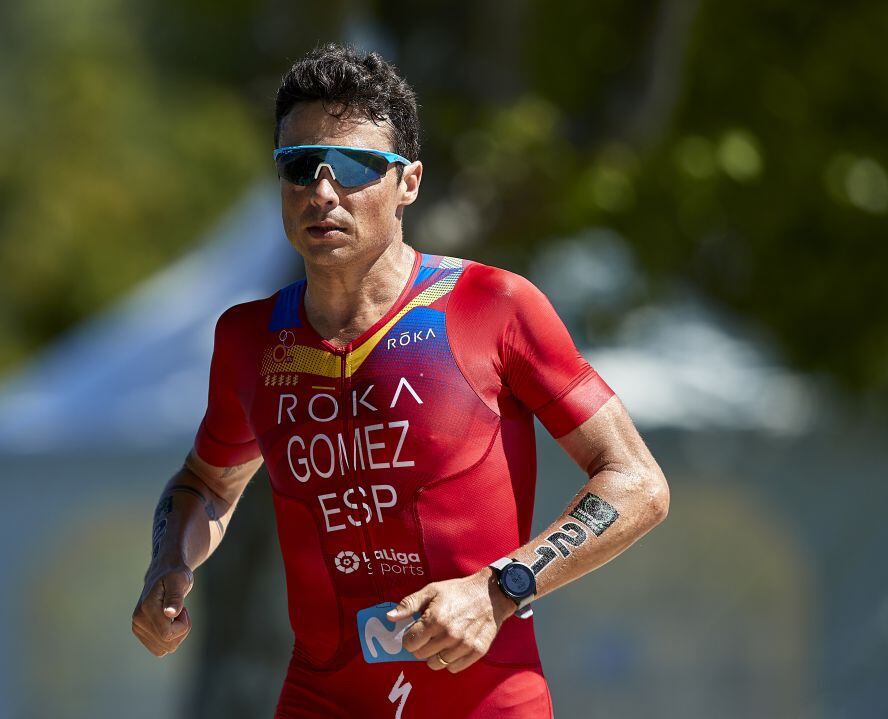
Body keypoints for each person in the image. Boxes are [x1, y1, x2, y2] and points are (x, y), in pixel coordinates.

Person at [131, 43, 670, 719]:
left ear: (408, 182)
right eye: (299, 167)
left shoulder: (492, 304)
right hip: (321, 699)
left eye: (355, 166)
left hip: (486, 702)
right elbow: (207, 484)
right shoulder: (249, 339)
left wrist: (501, 587)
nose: (322, 191)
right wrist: (168, 565)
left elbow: (637, 482)